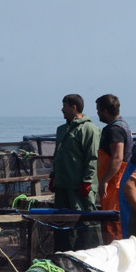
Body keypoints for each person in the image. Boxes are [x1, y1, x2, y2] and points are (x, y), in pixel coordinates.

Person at [49, 94, 103, 250]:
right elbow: (57, 155)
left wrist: (87, 181)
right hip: (62, 185)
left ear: (74, 107)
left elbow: (92, 157)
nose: (62, 109)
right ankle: (63, 254)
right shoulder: (61, 130)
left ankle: (91, 252)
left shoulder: (90, 129)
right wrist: (53, 176)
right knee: (62, 222)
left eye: (64, 106)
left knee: (86, 221)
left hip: (79, 186)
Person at [95, 94, 133, 244]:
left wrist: (104, 181)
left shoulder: (114, 130)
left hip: (115, 183)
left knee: (113, 221)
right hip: (116, 181)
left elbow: (117, 158)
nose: (97, 113)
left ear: (105, 110)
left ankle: (115, 253)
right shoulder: (122, 125)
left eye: (98, 110)